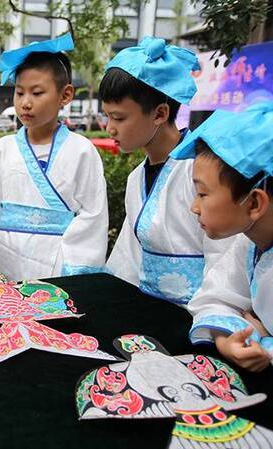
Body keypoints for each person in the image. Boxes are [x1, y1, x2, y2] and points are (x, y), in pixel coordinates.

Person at [101, 36, 232, 305]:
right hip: (146, 310)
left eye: (119, 118)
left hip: (197, 314)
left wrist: (214, 317)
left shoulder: (202, 172)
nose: (109, 128)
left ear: (160, 113)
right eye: (107, 116)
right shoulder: (136, 177)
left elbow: (225, 255)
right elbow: (128, 255)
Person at [0, 33, 108, 281]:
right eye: (19, 93)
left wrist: (75, 271)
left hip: (57, 264)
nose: (25, 103)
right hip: (4, 261)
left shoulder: (82, 150)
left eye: (37, 93)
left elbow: (93, 216)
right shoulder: (3, 148)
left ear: (66, 95)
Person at [169, 103, 273, 372]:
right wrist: (229, 338)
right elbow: (216, 297)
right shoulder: (248, 244)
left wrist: (266, 343)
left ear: (253, 204)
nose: (194, 206)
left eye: (202, 194)